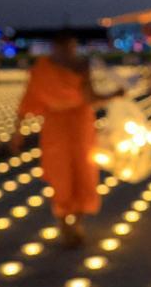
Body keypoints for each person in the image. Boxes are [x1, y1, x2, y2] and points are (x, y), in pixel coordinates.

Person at [11, 32, 123, 247]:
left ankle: (66, 223)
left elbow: (25, 103)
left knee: (64, 174)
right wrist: (115, 94)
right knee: (82, 172)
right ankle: (73, 225)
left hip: (60, 125)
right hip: (75, 124)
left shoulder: (43, 68)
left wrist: (18, 133)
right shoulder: (78, 66)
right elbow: (91, 99)